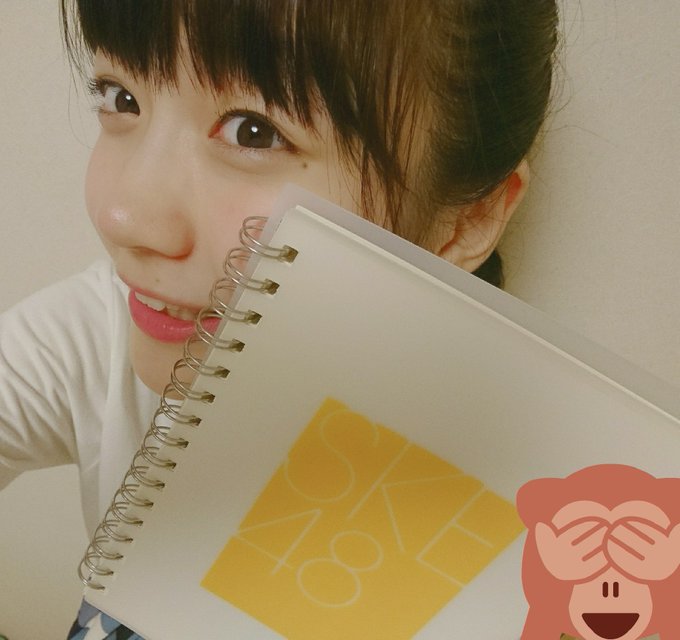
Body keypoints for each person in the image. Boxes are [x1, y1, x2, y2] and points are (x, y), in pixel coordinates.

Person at [1, 0, 559, 637]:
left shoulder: (551, 512)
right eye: (120, 98)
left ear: (466, 220)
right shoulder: (107, 326)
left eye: (253, 132)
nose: (124, 217)